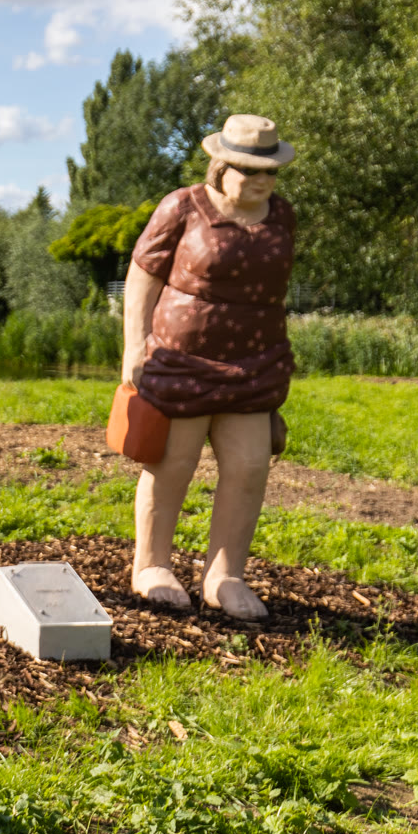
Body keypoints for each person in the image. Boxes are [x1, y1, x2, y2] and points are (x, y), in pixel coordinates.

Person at [121, 114, 297, 619]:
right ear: (221, 167)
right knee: (171, 465)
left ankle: (224, 576)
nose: (262, 180)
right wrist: (135, 345)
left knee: (249, 467)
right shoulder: (183, 206)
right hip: (181, 362)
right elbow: (143, 273)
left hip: (254, 364)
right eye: (250, 170)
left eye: (270, 171)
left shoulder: (282, 216)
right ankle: (151, 566)